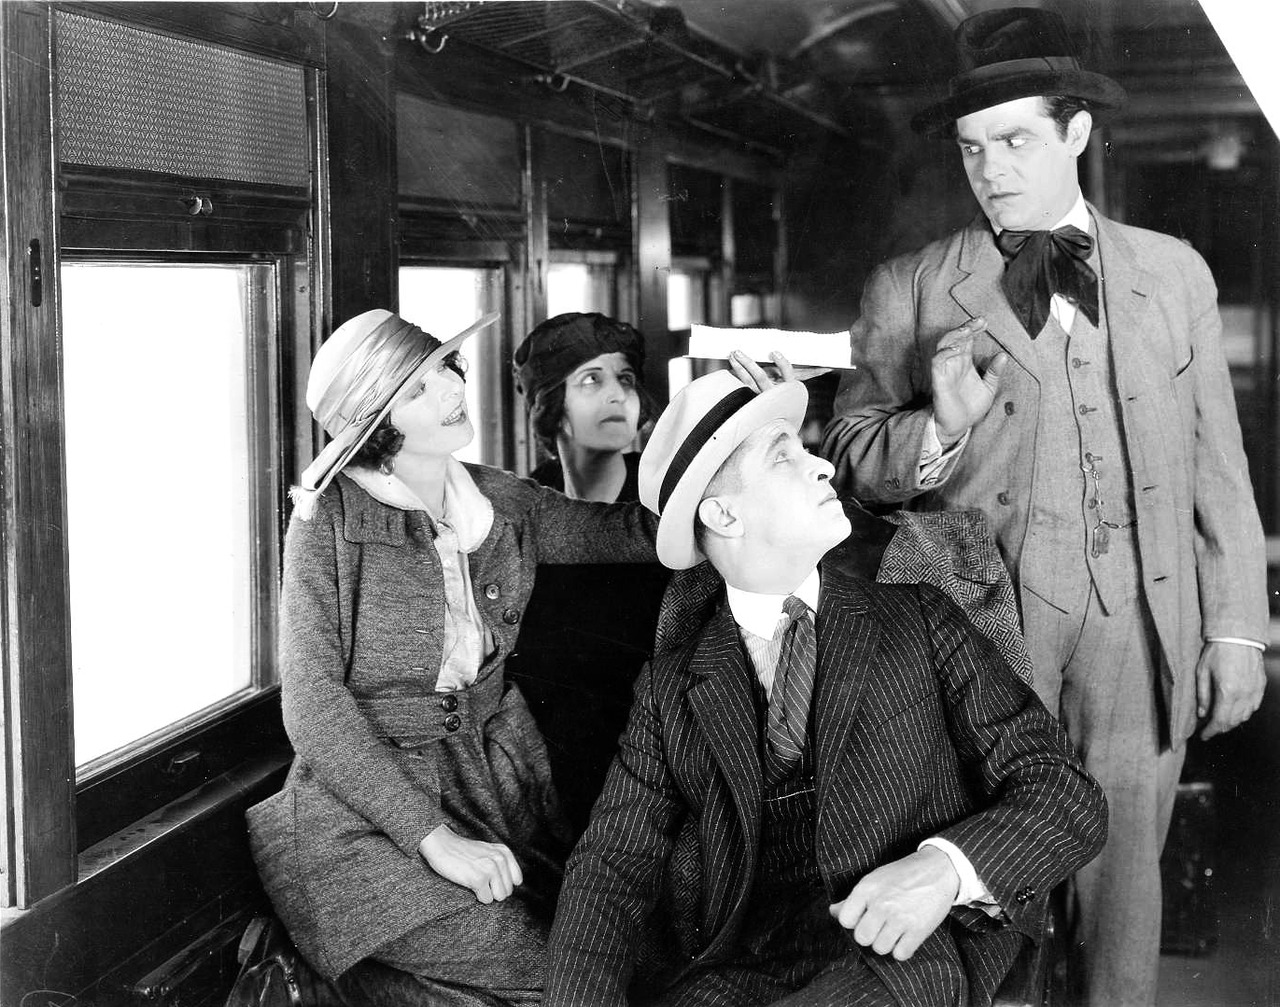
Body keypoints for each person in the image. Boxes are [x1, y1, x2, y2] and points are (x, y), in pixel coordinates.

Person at [819, 9, 1268, 1006]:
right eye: (971, 147)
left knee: (1123, 898)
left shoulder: (1173, 275)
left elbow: (1217, 468)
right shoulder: (911, 287)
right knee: (988, 885)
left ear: (1077, 133)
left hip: (1139, 625)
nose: (990, 169)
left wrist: (1236, 627)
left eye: (1016, 139)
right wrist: (937, 425)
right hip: (980, 635)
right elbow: (853, 461)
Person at [546, 352, 1107, 1007]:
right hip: (736, 974)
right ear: (723, 516)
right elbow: (612, 865)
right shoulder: (670, 687)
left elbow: (1065, 791)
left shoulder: (921, 618)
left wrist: (943, 869)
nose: (822, 465)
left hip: (902, 958)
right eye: (784, 457)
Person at [245, 309, 657, 1005]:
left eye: (445, 367)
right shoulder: (326, 520)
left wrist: (729, 439)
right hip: (362, 819)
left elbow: (634, 532)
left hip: (497, 793)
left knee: (611, 959)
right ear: (375, 425)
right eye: (418, 388)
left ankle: (351, 984)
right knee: (557, 979)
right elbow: (312, 705)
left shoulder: (498, 498)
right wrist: (433, 838)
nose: (451, 389)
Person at [506, 312, 670, 835]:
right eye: (591, 380)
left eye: (625, 378)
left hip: (659, 765)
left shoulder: (666, 497)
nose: (617, 395)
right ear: (551, 405)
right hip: (548, 777)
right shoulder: (524, 508)